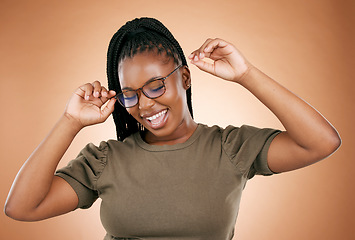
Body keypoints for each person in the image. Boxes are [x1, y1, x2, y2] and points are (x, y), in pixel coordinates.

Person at [4, 17, 341, 240]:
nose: (145, 105)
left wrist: (245, 73)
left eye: (155, 86)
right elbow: (22, 208)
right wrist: (71, 121)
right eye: (130, 94)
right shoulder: (106, 159)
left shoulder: (230, 147)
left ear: (184, 77)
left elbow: (321, 142)